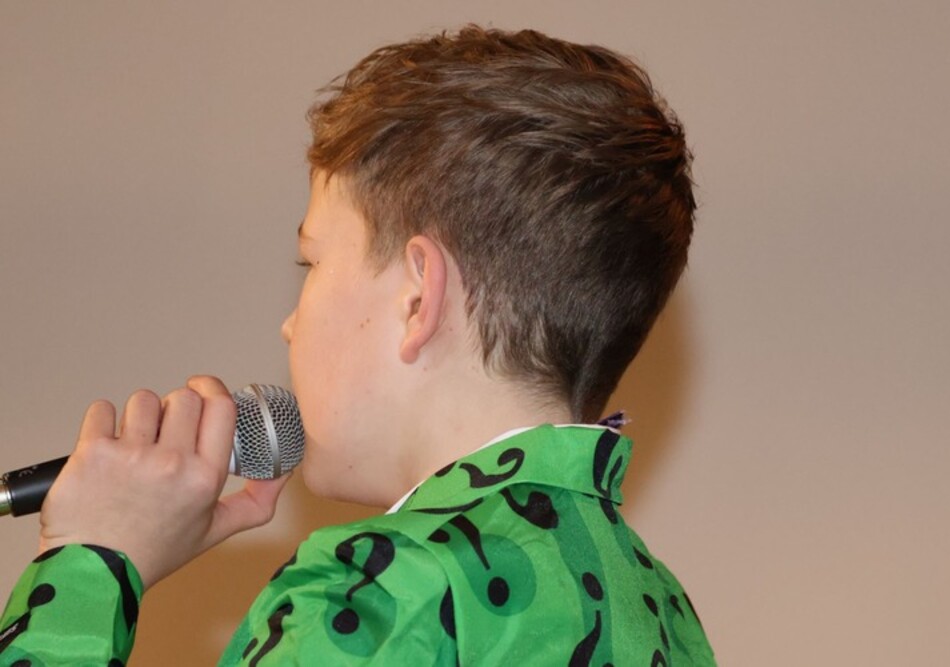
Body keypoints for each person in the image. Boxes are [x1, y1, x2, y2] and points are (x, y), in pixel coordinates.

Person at [0, 25, 715, 665]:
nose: (289, 323)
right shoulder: (661, 608)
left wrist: (90, 559)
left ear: (417, 298)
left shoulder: (376, 595)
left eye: (310, 262)